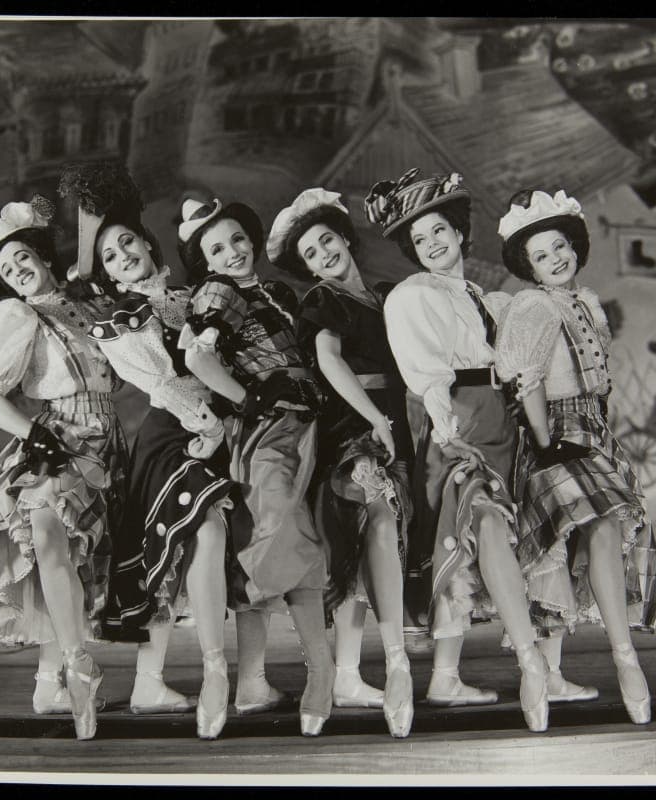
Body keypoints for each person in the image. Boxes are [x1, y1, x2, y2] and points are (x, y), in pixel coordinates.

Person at [365, 168, 551, 732]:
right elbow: (426, 375)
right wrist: (447, 432)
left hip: (500, 420)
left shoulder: (484, 297)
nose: (431, 244)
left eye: (439, 231)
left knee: (481, 537)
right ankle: (531, 664)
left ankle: (446, 676)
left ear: (460, 232)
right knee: (476, 520)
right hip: (457, 418)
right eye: (419, 239)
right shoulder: (413, 294)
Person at [58, 162, 235, 739]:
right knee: (198, 534)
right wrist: (208, 423)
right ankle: (214, 672)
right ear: (105, 272)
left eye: (127, 243)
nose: (122, 257)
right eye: (109, 256)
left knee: (194, 551)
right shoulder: (118, 319)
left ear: (147, 242)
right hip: (174, 433)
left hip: (217, 428)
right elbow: (160, 382)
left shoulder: (186, 298)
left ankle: (149, 683)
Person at [494, 188, 656, 725]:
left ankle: (560, 671)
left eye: (560, 247)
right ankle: (619, 661)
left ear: (575, 246)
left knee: (573, 545)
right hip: (553, 432)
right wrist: (545, 444)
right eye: (541, 255)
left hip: (590, 429)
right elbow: (528, 381)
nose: (555, 259)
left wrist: (597, 433)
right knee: (589, 530)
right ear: (529, 266)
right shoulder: (534, 306)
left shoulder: (585, 302)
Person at [0, 196, 122, 740]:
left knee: (75, 559)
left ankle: (47, 681)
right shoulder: (17, 315)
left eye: (22, 259)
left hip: (108, 439)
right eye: (7, 271)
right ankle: (79, 668)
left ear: (42, 256)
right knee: (50, 535)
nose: (18, 272)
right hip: (61, 437)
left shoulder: (87, 303)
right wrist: (36, 436)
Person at [176, 195, 337, 736]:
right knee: (282, 536)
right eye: (217, 249)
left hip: (306, 425)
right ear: (206, 262)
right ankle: (319, 672)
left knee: (289, 537)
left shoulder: (274, 292)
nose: (233, 253)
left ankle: (252, 684)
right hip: (270, 430)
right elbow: (197, 357)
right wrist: (247, 400)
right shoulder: (218, 292)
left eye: (237, 239)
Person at [266, 187, 414, 738]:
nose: (323, 253)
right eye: (311, 252)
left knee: (366, 548)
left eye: (327, 240)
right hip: (354, 426)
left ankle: (349, 673)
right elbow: (328, 360)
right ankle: (397, 663)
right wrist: (374, 418)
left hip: (398, 421)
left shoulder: (386, 296)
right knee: (376, 516)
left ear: (346, 238)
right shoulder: (322, 301)